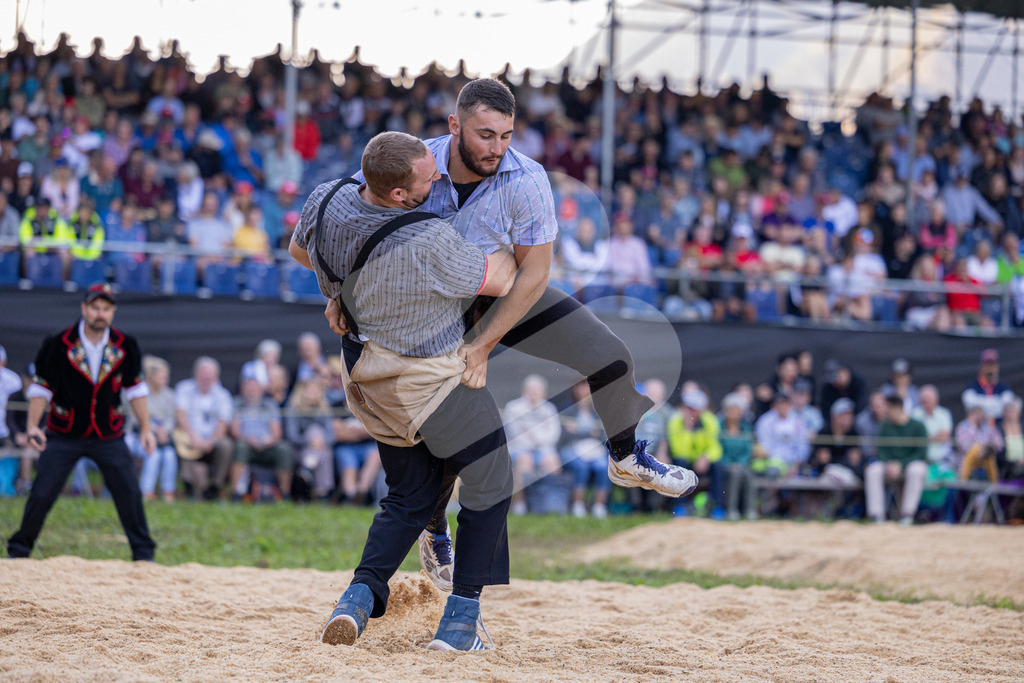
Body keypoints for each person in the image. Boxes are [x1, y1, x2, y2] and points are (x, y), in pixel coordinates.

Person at [333, 79, 696, 581]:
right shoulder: (415, 162)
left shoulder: (527, 178)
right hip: (428, 311)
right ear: (454, 126)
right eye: (485, 135)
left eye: (506, 135)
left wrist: (483, 345)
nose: (497, 148)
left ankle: (625, 455)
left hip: (502, 296)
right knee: (454, 436)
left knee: (611, 356)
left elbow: (534, 275)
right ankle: (435, 529)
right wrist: (338, 296)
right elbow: (343, 225)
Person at [290, 131, 520, 650]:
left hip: (362, 372)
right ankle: (460, 621)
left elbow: (297, 249)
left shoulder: (324, 199)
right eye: (426, 177)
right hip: (420, 377)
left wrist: (352, 292)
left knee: (410, 495)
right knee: (492, 471)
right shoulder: (427, 238)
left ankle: (357, 597)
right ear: (398, 194)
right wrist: (515, 240)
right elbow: (500, 277)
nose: (437, 175)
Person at [7, 283, 157, 561]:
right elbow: (41, 389)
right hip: (65, 433)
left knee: (129, 492)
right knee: (42, 493)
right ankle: (19, 550)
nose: (100, 314)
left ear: (113, 312)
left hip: (108, 434)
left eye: (106, 309)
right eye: (96, 308)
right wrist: (31, 426)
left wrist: (146, 429)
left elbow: (135, 390)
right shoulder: (58, 344)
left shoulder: (126, 345)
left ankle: (143, 553)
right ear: (84, 309)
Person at [173, 357, 234, 500]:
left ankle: (215, 487)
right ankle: (189, 486)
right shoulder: (184, 388)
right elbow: (181, 416)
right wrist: (194, 438)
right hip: (190, 436)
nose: (206, 379)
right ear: (196, 375)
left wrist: (210, 441)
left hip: (212, 441)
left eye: (209, 377)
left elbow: (222, 423)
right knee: (181, 440)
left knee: (226, 445)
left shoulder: (223, 395)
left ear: (215, 377)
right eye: (203, 376)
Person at [865, 394, 929, 525]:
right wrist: (888, 464)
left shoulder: (918, 426)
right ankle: (877, 515)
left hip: (907, 468)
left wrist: (901, 465)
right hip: (889, 468)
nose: (885, 413)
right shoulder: (885, 426)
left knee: (918, 469)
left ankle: (907, 515)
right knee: (872, 470)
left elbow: (921, 454)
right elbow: (880, 451)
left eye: (887, 410)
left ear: (897, 408)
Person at [503, 374, 563, 516]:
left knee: (552, 461)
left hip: (543, 449)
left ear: (544, 392)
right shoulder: (513, 407)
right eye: (531, 390)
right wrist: (538, 435)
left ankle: (550, 503)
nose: (534, 394)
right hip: (518, 449)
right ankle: (521, 503)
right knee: (525, 460)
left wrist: (532, 433)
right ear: (524, 391)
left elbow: (553, 435)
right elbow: (514, 434)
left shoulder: (549, 409)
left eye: (537, 390)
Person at [229, 375, 292, 501]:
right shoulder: (237, 404)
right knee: (240, 447)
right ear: (243, 389)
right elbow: (235, 431)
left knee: (284, 448)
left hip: (268, 445)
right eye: (248, 388)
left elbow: (277, 432)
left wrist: (268, 441)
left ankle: (285, 494)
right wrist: (249, 439)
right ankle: (236, 493)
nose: (252, 391)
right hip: (246, 444)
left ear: (261, 390)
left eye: (255, 388)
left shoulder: (269, 404)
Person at [667, 389, 723, 516]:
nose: (689, 411)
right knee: (680, 464)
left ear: (701, 410)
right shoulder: (675, 421)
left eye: (693, 408)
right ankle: (679, 506)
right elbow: (679, 451)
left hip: (702, 460)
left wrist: (705, 458)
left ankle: (717, 507)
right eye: (688, 407)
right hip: (686, 461)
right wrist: (687, 429)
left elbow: (715, 447)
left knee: (718, 466)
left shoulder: (710, 421)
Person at [559, 381, 610, 519]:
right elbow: (564, 436)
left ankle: (599, 506)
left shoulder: (598, 411)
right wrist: (589, 433)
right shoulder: (567, 409)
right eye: (581, 388)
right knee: (580, 466)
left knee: (603, 466)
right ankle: (578, 504)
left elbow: (602, 434)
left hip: (594, 450)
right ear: (575, 389)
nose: (585, 392)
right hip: (571, 449)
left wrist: (578, 431)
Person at [133, 355, 178, 503]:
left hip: (163, 437)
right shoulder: (140, 393)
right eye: (161, 376)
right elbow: (135, 419)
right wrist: (152, 430)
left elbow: (171, 418)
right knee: (153, 453)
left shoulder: (169, 395)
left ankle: (168, 492)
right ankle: (146, 492)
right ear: (151, 376)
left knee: (170, 454)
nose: (165, 379)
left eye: (166, 376)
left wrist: (164, 431)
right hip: (136, 436)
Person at [718, 392, 755, 521]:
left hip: (742, 464)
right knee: (734, 474)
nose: (733, 413)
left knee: (748, 474)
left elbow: (748, 450)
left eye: (736, 410)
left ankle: (750, 509)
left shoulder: (746, 428)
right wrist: (730, 464)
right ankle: (731, 510)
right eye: (731, 410)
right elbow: (718, 449)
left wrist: (740, 463)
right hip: (725, 464)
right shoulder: (719, 427)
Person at [962, 348, 1014, 421]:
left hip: (1000, 427)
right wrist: (996, 402)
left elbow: (1007, 406)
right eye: (987, 364)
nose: (990, 367)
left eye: (993, 364)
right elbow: (971, 406)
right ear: (981, 366)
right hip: (978, 427)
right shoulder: (971, 386)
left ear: (997, 366)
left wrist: (981, 404)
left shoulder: (1004, 387)